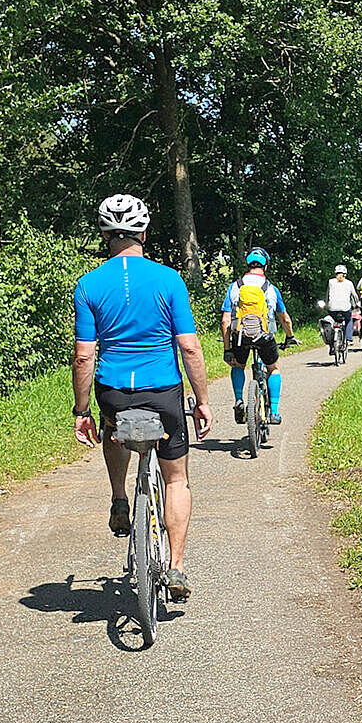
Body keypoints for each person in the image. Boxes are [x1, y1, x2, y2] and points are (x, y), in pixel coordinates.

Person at [72, 194, 212, 601]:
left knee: (112, 431)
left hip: (114, 391)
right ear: (144, 234)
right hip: (163, 392)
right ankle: (176, 566)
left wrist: (82, 410)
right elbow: (190, 347)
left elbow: (84, 355)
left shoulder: (89, 284)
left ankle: (120, 498)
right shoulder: (169, 280)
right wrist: (202, 400)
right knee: (176, 478)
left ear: (105, 236)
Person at [221, 247, 298, 426]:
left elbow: (225, 321)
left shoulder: (235, 287)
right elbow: (285, 319)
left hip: (241, 336)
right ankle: (275, 413)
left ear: (247, 265)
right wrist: (290, 336)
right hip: (264, 337)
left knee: (238, 365)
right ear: (266, 266)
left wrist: (227, 349)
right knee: (274, 369)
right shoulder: (271, 289)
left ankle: (239, 400)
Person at [327, 264, 360, 346]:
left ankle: (331, 340)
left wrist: (327, 304)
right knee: (349, 320)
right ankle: (349, 339)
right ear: (345, 274)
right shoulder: (349, 283)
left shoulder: (330, 282)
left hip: (332, 308)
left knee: (332, 321)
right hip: (345, 308)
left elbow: (327, 295)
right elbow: (354, 296)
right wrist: (357, 304)